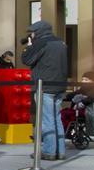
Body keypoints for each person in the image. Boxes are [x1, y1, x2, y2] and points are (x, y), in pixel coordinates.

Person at [21, 20, 69, 160]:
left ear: (38, 32)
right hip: (60, 85)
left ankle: (49, 151)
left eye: (33, 32)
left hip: (45, 87)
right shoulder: (61, 43)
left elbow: (27, 60)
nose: (32, 35)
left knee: (47, 119)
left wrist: (29, 46)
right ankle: (60, 151)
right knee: (56, 118)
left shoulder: (41, 43)